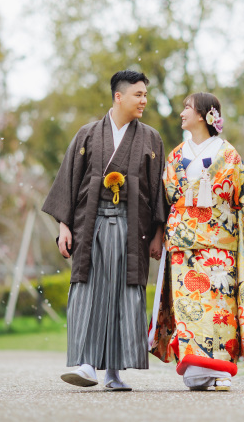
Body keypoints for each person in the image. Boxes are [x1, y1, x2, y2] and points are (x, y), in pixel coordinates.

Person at [147, 92, 244, 391]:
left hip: (218, 243)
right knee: (189, 308)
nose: (182, 113)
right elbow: (164, 201)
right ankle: (195, 369)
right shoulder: (176, 155)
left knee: (219, 308)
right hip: (182, 244)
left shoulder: (228, 154)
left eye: (187, 108)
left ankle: (220, 370)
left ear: (204, 115)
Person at [42, 70, 166, 391]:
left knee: (124, 296)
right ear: (118, 96)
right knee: (89, 291)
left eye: (145, 95)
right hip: (91, 224)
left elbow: (157, 192)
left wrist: (157, 234)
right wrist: (64, 225)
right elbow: (69, 181)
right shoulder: (87, 134)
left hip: (132, 227)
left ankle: (114, 372)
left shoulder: (151, 139)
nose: (144, 101)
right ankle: (85, 365)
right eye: (138, 95)